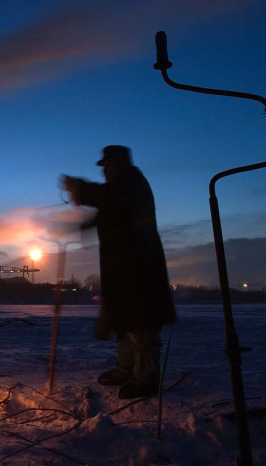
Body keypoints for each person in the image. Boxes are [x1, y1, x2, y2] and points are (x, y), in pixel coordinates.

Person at [61, 145, 176, 399]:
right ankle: (126, 370)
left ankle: (147, 376)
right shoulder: (122, 187)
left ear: (118, 164)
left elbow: (109, 198)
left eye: (108, 166)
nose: (105, 172)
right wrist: (74, 227)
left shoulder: (131, 183)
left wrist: (79, 187)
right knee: (125, 319)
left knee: (142, 320)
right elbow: (108, 212)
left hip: (140, 265)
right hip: (125, 266)